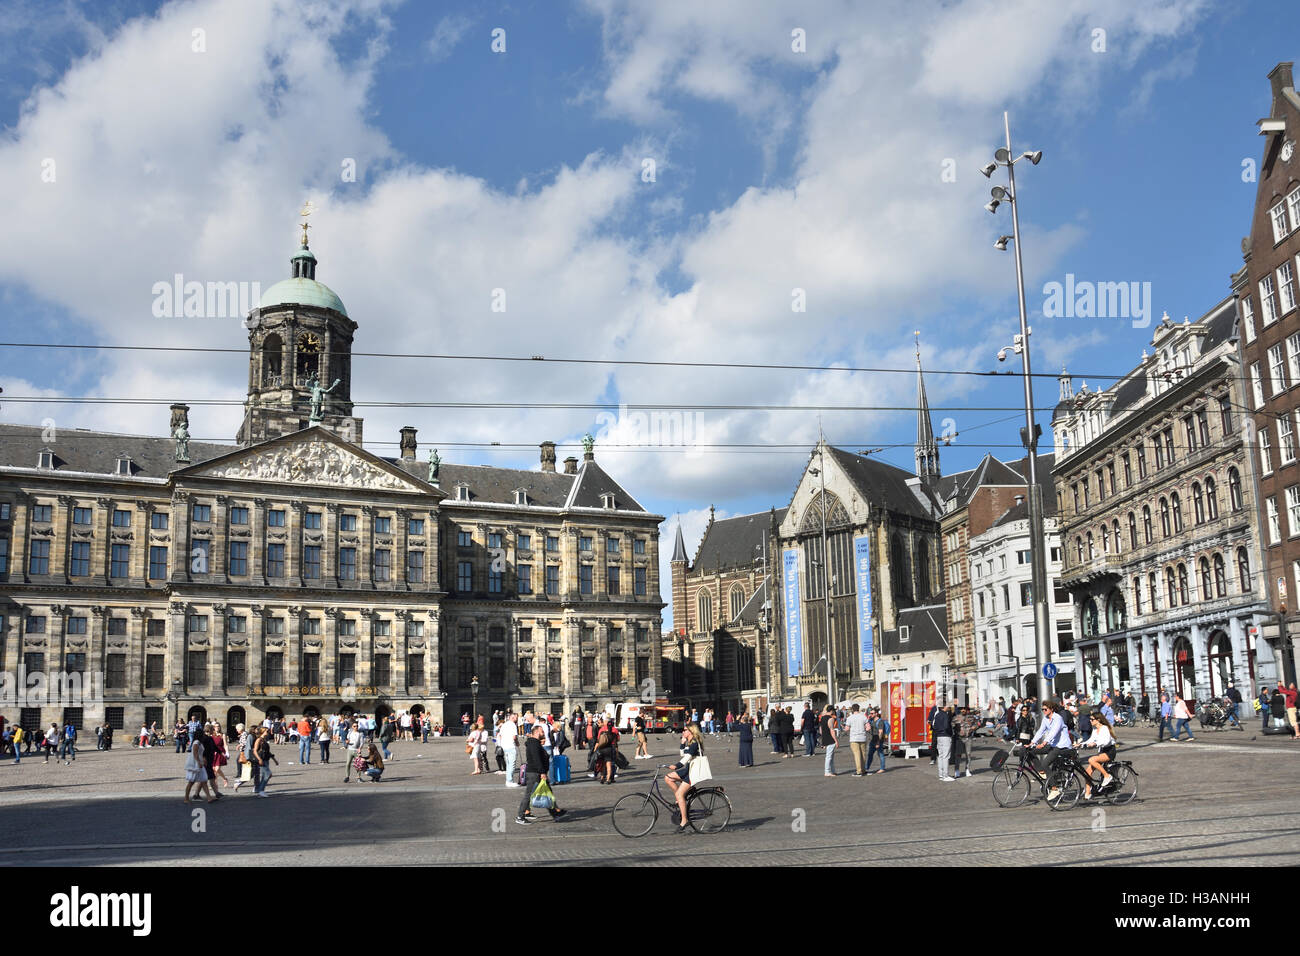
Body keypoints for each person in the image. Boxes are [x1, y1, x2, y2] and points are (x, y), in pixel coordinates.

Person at [516, 724, 566, 825]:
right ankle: (520, 816)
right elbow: (536, 759)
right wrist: (542, 772)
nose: (544, 733)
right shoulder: (533, 743)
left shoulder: (536, 743)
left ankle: (555, 813)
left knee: (547, 792)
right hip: (534, 772)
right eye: (542, 731)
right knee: (529, 795)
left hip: (537, 772)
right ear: (537, 732)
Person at [664, 724, 703, 835]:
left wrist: (676, 766)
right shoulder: (690, 742)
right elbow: (683, 754)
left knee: (680, 795)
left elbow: (687, 758)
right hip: (689, 768)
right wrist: (682, 743)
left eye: (685, 730)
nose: (683, 732)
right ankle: (680, 798)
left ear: (691, 731)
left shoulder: (695, 742)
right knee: (668, 778)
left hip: (694, 771)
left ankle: (684, 820)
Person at [1030, 700, 1073, 800]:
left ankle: (1054, 788)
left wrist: (1044, 742)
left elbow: (1054, 732)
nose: (1044, 711)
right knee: (1031, 751)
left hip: (1062, 745)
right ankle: (1041, 771)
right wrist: (1032, 743)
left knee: (1045, 763)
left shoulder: (1058, 718)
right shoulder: (1045, 719)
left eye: (1045, 709)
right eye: (1042, 709)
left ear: (1051, 709)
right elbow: (1040, 731)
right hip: (1053, 744)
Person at [1078, 711, 1118, 800]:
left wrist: (1095, 744)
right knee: (1087, 772)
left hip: (1109, 751)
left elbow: (1106, 741)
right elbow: (1090, 740)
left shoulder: (1105, 728)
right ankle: (1087, 793)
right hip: (1102, 751)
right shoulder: (1095, 730)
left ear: (1098, 720)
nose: (1090, 721)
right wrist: (1080, 744)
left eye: (1092, 719)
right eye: (1090, 719)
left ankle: (1107, 776)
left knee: (1091, 760)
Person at [184, 730, 216, 804]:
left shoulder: (199, 742)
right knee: (191, 782)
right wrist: (198, 762)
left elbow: (200, 753)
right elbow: (195, 754)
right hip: (195, 764)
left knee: (204, 781)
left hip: (200, 763)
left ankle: (209, 798)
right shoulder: (196, 743)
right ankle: (186, 798)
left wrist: (203, 760)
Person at [931, 702, 955, 781]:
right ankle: (945, 775)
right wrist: (950, 732)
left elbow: (934, 725)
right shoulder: (945, 715)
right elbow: (946, 726)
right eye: (948, 706)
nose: (949, 707)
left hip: (939, 736)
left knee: (940, 756)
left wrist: (938, 731)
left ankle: (941, 775)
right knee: (946, 756)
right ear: (944, 706)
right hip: (945, 736)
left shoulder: (937, 714)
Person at [845, 703, 870, 776]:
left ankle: (859, 771)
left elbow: (847, 729)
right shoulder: (863, 717)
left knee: (857, 755)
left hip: (854, 738)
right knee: (863, 754)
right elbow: (868, 727)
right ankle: (863, 770)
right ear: (858, 709)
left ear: (852, 709)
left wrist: (845, 727)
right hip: (863, 737)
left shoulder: (850, 718)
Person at [253, 727, 277, 797]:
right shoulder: (259, 740)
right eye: (267, 731)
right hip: (262, 760)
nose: (268, 732)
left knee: (265, 776)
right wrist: (259, 759)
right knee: (268, 774)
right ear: (263, 732)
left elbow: (268, 752)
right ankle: (261, 790)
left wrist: (274, 759)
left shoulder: (265, 740)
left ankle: (260, 790)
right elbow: (255, 751)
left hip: (266, 759)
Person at [593, 720, 618, 784]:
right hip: (609, 749)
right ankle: (608, 779)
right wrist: (616, 752)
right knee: (609, 765)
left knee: (603, 765)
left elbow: (598, 742)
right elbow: (615, 744)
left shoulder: (602, 732)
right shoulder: (614, 734)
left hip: (602, 749)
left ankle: (602, 778)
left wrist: (595, 750)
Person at [500, 712, 520, 786]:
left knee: (508, 764)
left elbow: (500, 735)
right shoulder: (513, 725)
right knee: (512, 764)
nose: (517, 719)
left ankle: (508, 780)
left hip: (505, 746)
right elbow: (514, 737)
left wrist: (502, 744)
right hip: (511, 746)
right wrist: (517, 742)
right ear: (513, 717)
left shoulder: (504, 724)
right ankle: (509, 781)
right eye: (516, 717)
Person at [868, 707, 890, 773]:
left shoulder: (880, 722)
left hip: (878, 740)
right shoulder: (871, 720)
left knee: (880, 754)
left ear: (876, 714)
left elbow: (880, 732)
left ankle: (882, 768)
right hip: (872, 740)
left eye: (872, 713)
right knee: (870, 754)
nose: (870, 714)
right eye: (870, 713)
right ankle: (866, 768)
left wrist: (878, 742)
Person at [211, 722, 231, 789]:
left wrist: (227, 752)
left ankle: (224, 779)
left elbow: (225, 744)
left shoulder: (223, 735)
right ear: (213, 727)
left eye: (218, 726)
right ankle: (215, 783)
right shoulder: (211, 735)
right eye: (216, 726)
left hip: (220, 752)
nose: (218, 727)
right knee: (213, 769)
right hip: (213, 752)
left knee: (217, 769)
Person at [821, 704, 839, 777]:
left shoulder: (822, 718)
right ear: (831, 711)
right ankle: (827, 771)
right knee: (829, 756)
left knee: (830, 756)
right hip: (830, 739)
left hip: (825, 737)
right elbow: (832, 730)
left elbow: (821, 729)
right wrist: (836, 740)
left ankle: (832, 770)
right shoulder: (831, 719)